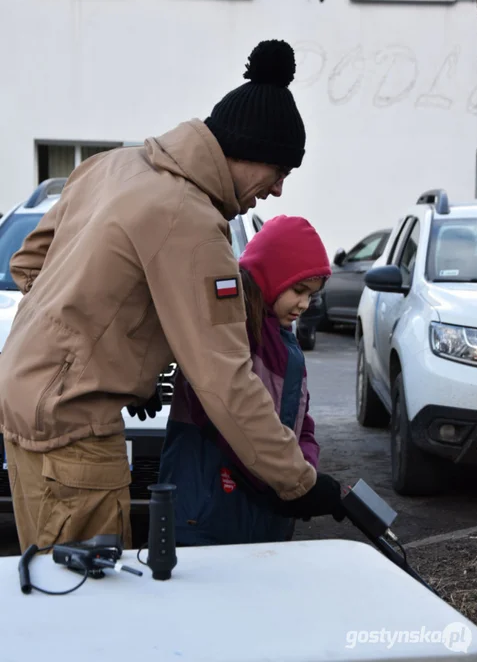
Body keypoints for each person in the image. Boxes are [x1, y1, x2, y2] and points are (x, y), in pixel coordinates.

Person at [0, 39, 341, 554]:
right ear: (251, 155)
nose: (276, 191)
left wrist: (100, 355)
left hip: (20, 402)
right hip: (76, 429)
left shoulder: (110, 166)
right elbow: (225, 380)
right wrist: (299, 482)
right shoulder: (195, 225)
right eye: (280, 173)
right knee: (89, 607)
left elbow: (27, 266)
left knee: (48, 588)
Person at [158, 215, 345, 546]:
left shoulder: (285, 343)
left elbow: (302, 419)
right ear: (272, 275)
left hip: (263, 514)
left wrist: (304, 473)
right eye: (299, 290)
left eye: (311, 295)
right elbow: (229, 420)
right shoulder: (231, 330)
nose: (304, 304)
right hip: (207, 512)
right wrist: (289, 482)